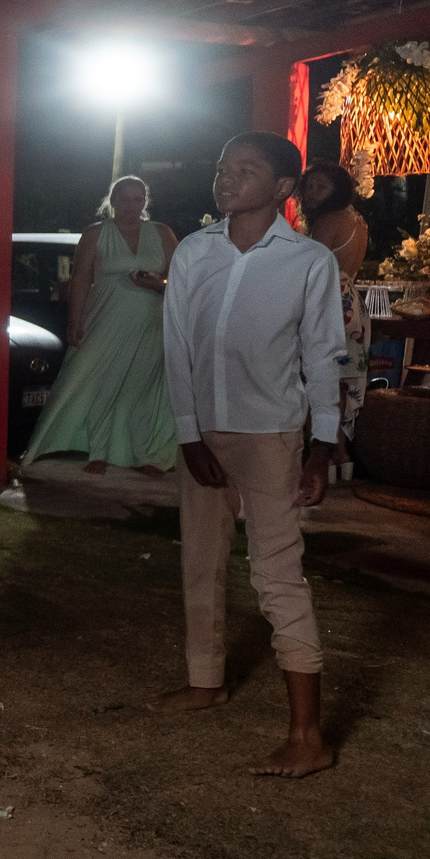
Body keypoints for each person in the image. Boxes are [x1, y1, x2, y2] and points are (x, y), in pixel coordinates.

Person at [152, 132, 347, 779]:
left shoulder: (310, 263)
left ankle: (306, 733)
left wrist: (321, 449)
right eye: (220, 167)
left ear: (284, 188)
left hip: (271, 438)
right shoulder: (194, 254)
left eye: (245, 169)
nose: (226, 179)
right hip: (203, 434)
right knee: (200, 560)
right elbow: (176, 346)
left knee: (276, 574)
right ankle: (205, 681)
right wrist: (187, 433)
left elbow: (322, 359)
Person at [22, 174, 179, 475]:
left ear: (145, 201)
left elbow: (181, 279)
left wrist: (157, 283)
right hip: (105, 319)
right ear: (113, 200)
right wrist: (75, 320)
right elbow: (80, 279)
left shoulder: (162, 233)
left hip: (150, 323)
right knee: (97, 381)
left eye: (137, 199)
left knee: (141, 389)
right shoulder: (95, 233)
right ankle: (98, 451)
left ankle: (145, 454)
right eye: (124, 198)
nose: (131, 205)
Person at [297, 161, 372, 453]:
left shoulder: (329, 220)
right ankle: (339, 456)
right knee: (339, 381)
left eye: (321, 187)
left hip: (328, 302)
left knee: (314, 380)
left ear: (337, 191)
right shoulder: (356, 219)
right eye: (309, 185)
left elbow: (308, 268)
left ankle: (319, 454)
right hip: (351, 303)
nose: (312, 193)